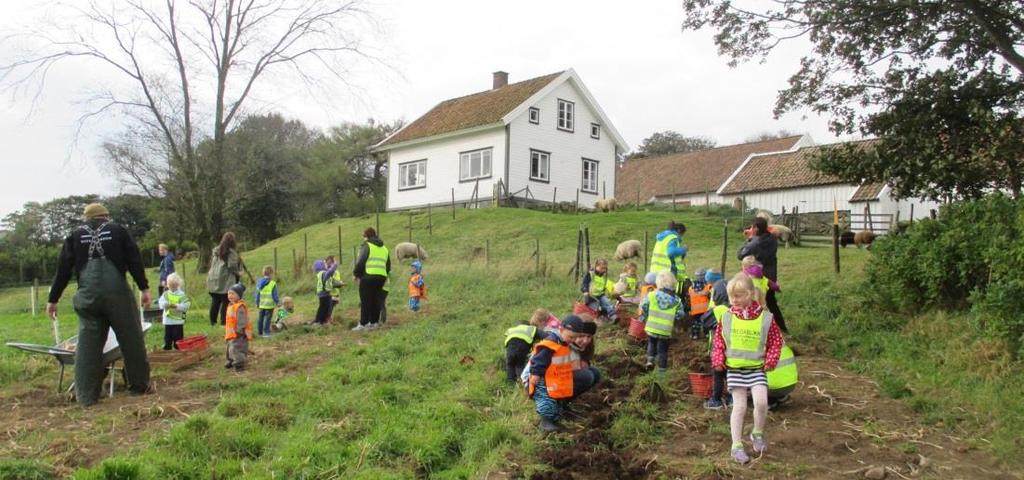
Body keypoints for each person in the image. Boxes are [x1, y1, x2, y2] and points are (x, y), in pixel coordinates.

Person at [47, 203, 153, 405]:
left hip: (88, 297)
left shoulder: (74, 236)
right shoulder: (118, 230)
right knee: (131, 338)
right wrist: (144, 288)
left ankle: (86, 396)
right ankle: (139, 386)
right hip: (117, 296)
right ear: (106, 215)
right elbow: (134, 261)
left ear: (87, 218)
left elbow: (62, 270)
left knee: (88, 345)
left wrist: (53, 300)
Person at [711, 273, 784, 464]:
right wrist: (718, 360)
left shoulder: (766, 318)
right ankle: (736, 445)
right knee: (740, 406)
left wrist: (771, 359)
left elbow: (776, 342)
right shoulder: (726, 318)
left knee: (761, 402)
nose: (734, 300)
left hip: (757, 369)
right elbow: (719, 342)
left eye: (739, 295)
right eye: (732, 296)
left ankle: (757, 433)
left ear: (751, 294)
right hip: (735, 370)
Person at [528, 315, 602, 433]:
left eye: (589, 337)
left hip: (555, 377)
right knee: (547, 400)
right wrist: (536, 375)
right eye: (573, 337)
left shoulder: (565, 342)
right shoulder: (552, 342)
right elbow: (539, 360)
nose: (573, 340)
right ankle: (545, 421)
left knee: (554, 399)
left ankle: (558, 413)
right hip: (542, 379)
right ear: (562, 330)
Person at [738, 217, 788, 333]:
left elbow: (740, 254)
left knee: (754, 304)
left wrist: (749, 239)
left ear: (756, 228)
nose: (750, 229)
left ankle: (757, 329)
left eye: (752, 227)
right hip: (770, 276)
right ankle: (782, 328)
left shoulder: (755, 243)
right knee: (771, 302)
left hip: (756, 279)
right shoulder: (772, 239)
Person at [640, 270, 686, 373]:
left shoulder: (651, 295)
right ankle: (662, 371)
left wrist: (646, 315)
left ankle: (650, 361)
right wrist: (674, 318)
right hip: (665, 329)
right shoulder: (676, 300)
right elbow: (681, 314)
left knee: (651, 343)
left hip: (652, 326)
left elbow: (644, 306)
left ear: (658, 282)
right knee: (663, 350)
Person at [702, 280, 732, 410]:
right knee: (731, 375)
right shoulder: (739, 309)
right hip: (735, 350)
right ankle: (732, 399)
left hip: (718, 350)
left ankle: (716, 400)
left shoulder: (719, 309)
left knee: (718, 375)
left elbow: (705, 321)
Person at [353, 227, 390, 331]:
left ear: (367, 236)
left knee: (365, 300)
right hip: (381, 277)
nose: (363, 239)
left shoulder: (367, 245)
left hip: (368, 276)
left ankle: (363, 324)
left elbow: (361, 261)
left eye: (364, 236)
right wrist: (383, 274)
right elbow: (388, 266)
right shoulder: (384, 248)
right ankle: (374, 323)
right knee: (376, 300)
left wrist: (356, 274)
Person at [206, 232, 241, 326]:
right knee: (225, 301)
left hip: (213, 279)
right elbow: (232, 266)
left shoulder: (215, 251)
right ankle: (223, 322)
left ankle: (212, 322)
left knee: (215, 301)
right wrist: (239, 273)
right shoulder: (231, 252)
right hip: (225, 280)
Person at [503, 312, 547, 384]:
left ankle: (510, 383)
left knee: (510, 364)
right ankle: (522, 382)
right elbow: (545, 336)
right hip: (522, 348)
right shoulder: (531, 328)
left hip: (510, 348)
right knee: (519, 364)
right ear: (528, 325)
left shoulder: (511, 329)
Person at [649, 221, 690, 296]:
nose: (681, 237)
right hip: (667, 269)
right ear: (679, 231)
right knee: (668, 291)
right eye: (682, 235)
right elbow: (671, 252)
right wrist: (683, 249)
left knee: (658, 291)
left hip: (656, 268)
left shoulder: (662, 238)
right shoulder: (673, 238)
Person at [157, 273, 190, 350]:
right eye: (170, 286)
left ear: (178, 285)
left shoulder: (181, 294)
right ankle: (167, 345)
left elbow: (185, 306)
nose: (172, 288)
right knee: (168, 335)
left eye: (174, 286)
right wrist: (165, 304)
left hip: (178, 320)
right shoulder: (165, 294)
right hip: (168, 320)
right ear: (168, 285)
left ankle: (178, 346)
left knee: (178, 336)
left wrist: (176, 306)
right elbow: (160, 303)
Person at [224, 283, 252, 371]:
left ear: (239, 296)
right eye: (229, 293)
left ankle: (239, 364)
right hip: (231, 333)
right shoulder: (231, 305)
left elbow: (242, 320)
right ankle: (231, 360)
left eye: (233, 293)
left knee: (237, 348)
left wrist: (240, 330)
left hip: (238, 333)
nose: (230, 295)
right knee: (229, 347)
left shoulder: (240, 307)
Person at [581, 258, 618, 322]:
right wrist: (585, 291)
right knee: (594, 306)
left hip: (601, 294)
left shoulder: (604, 276)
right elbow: (585, 283)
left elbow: (607, 285)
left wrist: (614, 292)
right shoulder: (591, 274)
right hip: (591, 296)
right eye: (601, 268)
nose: (603, 270)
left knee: (607, 302)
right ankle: (593, 319)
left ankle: (612, 316)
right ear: (596, 266)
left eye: (604, 268)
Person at [767, 344, 798, 409]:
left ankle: (771, 401)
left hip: (772, 388)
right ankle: (781, 396)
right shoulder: (783, 344)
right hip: (791, 385)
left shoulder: (756, 347)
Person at [254, 265, 279, 337]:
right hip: (269, 305)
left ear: (263, 273)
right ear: (271, 274)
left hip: (261, 304)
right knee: (267, 319)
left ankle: (260, 332)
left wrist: (257, 302)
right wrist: (277, 302)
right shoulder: (272, 283)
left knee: (260, 318)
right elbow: (275, 295)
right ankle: (266, 332)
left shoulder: (259, 282)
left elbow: (257, 294)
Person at [688, 267, 711, 339]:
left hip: (695, 310)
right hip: (705, 309)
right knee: (706, 322)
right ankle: (707, 334)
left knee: (695, 323)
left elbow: (689, 297)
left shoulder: (691, 287)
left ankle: (695, 335)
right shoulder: (708, 286)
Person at [313, 259, 338, 325]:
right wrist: (334, 265)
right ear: (321, 266)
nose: (326, 265)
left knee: (326, 307)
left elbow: (330, 274)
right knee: (323, 308)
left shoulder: (322, 273)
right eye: (324, 264)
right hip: (324, 294)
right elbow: (329, 272)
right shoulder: (323, 273)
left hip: (325, 293)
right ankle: (318, 321)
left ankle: (322, 321)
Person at [325, 256, 345, 321]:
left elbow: (337, 280)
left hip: (336, 293)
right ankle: (327, 320)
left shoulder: (336, 272)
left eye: (332, 262)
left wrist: (341, 282)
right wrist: (339, 284)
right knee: (328, 308)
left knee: (332, 308)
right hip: (329, 293)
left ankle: (330, 320)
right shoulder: (326, 272)